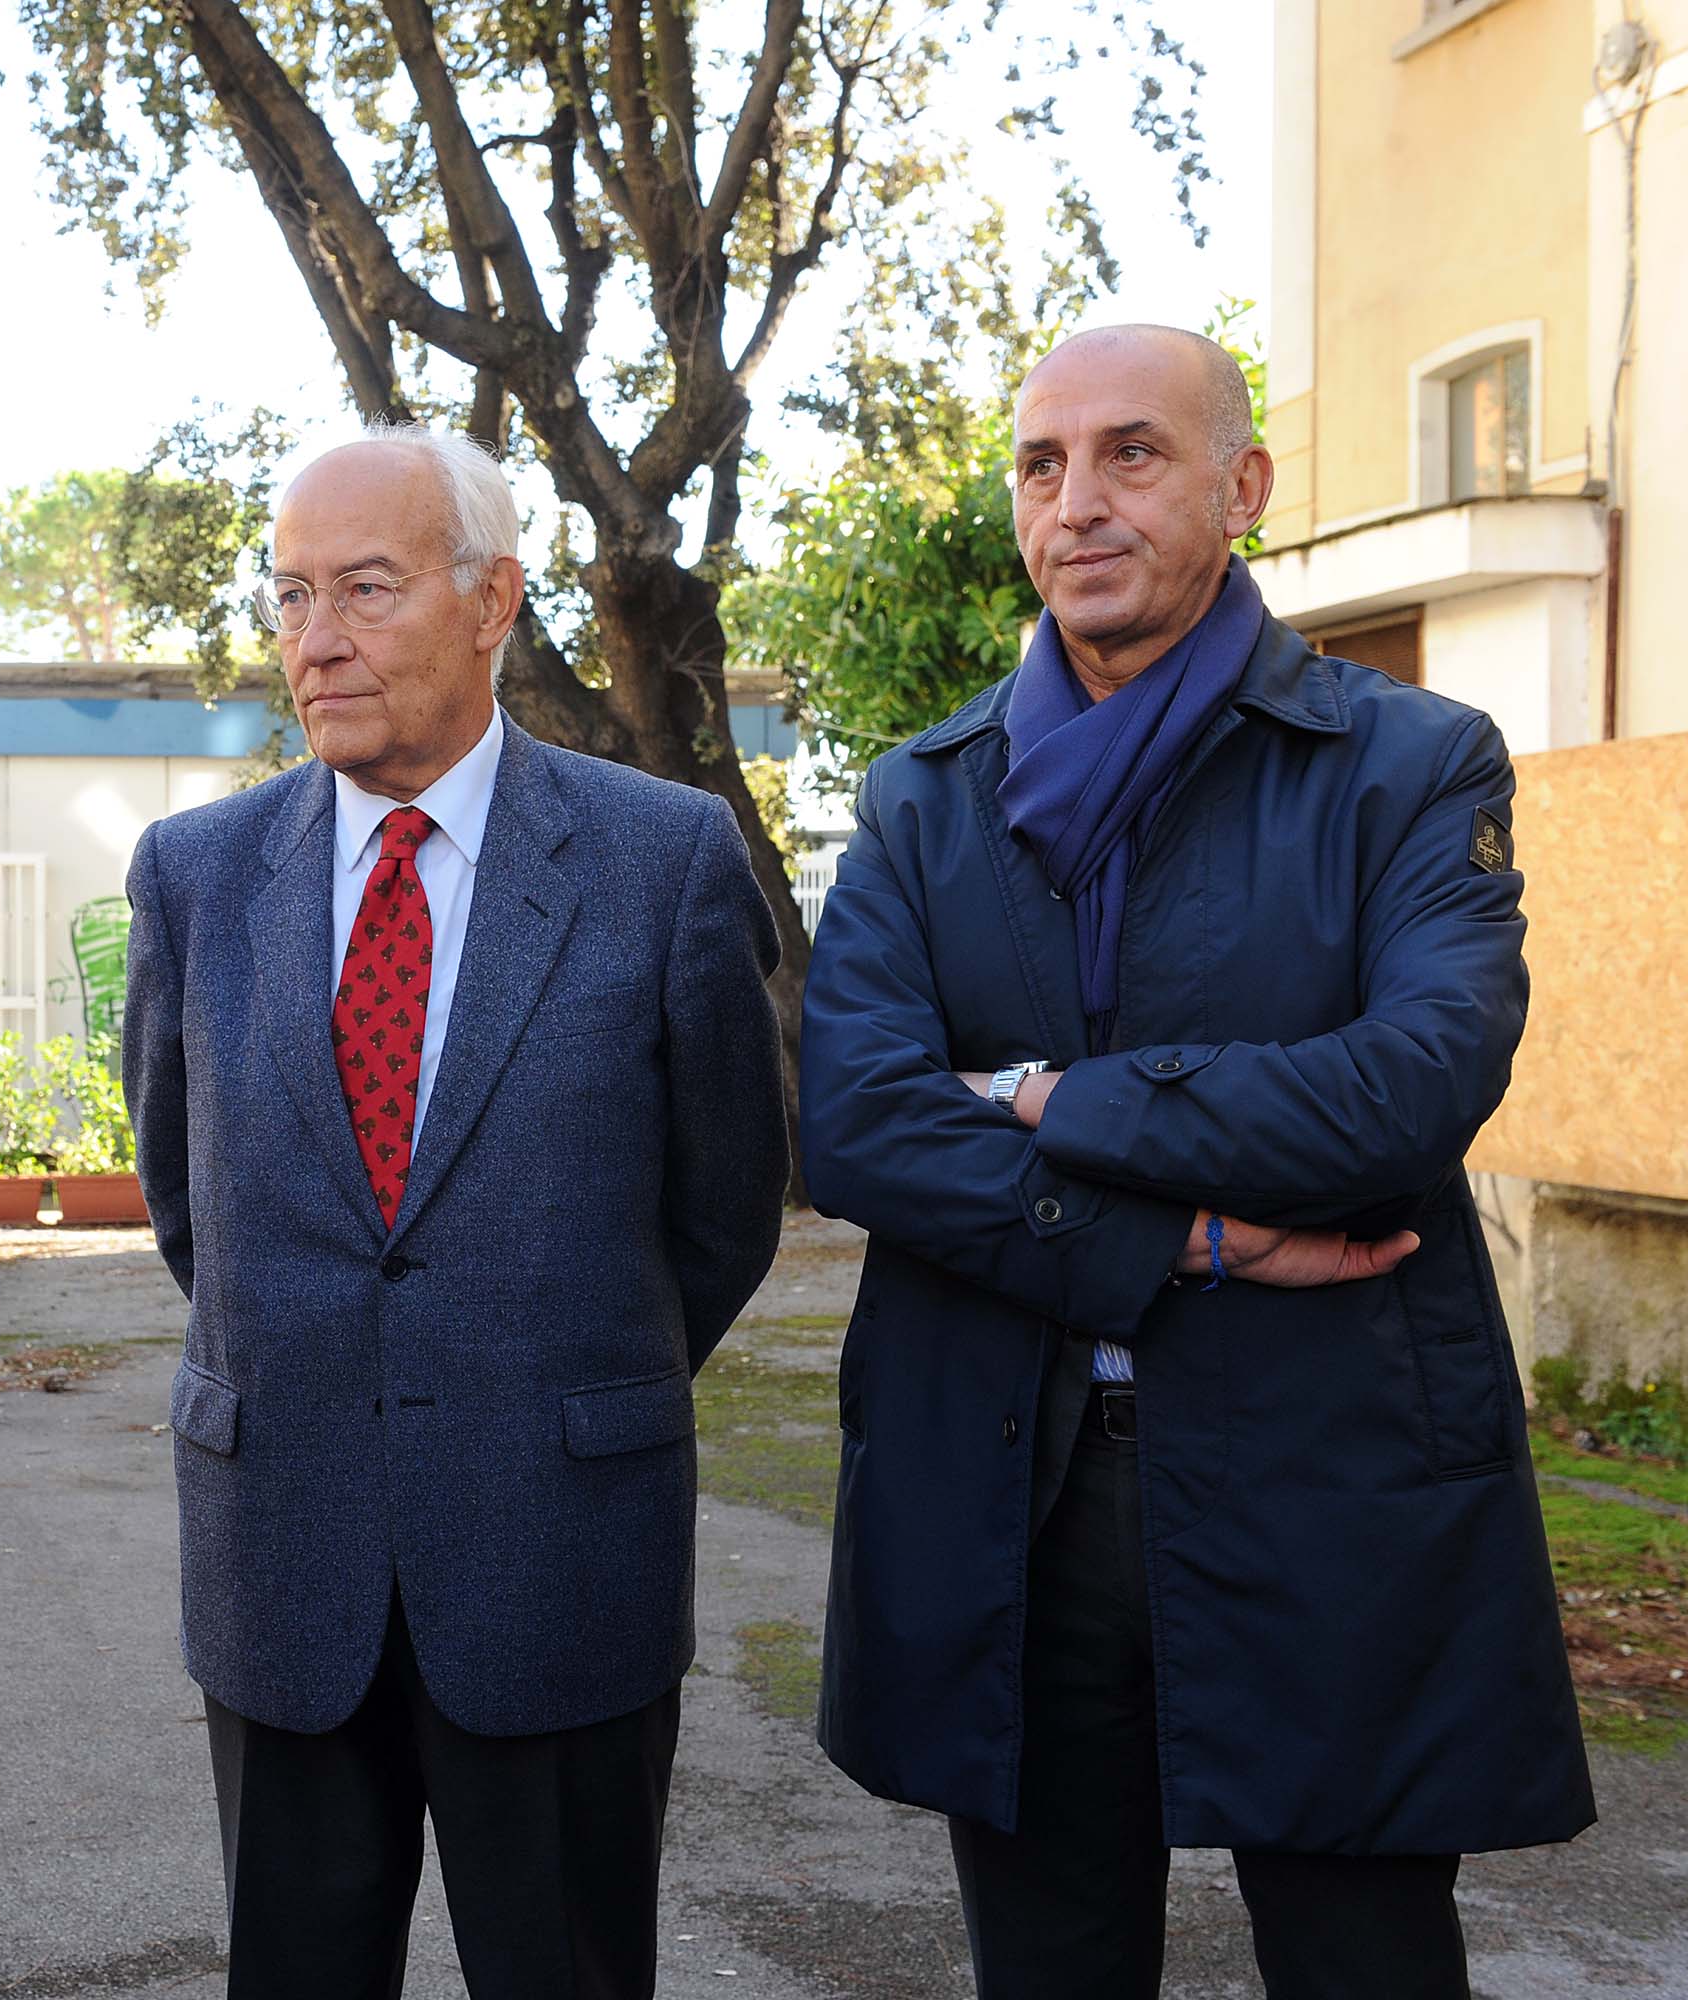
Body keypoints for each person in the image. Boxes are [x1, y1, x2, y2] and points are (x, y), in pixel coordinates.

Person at [801, 326, 1593, 1998]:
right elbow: (861, 1119)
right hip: (1007, 1482)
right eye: (1041, 463)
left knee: (1363, 1957)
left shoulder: (1407, 765)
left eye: (1131, 455)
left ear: (1243, 488)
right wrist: (1187, 1245)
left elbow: (1407, 1091)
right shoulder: (927, 798)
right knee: (1052, 1966)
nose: (1075, 504)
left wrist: (1034, 1097)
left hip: (1333, 1473)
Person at [121, 424, 790, 1999]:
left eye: (364, 587)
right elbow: (184, 1203)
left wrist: (561, 1387)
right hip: (281, 1554)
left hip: (560, 1553)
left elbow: (724, 1210)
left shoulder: (663, 860)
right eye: (289, 597)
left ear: (492, 601)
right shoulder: (196, 877)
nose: (316, 640)